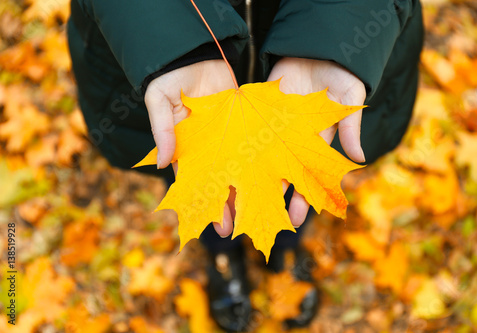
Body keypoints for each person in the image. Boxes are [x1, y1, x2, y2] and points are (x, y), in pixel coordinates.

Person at [67, 0, 423, 331]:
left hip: (310, 54)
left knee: (296, 187)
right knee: (200, 183)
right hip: (167, 70)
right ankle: (223, 256)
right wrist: (176, 47)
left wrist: (337, 34)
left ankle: (281, 251)